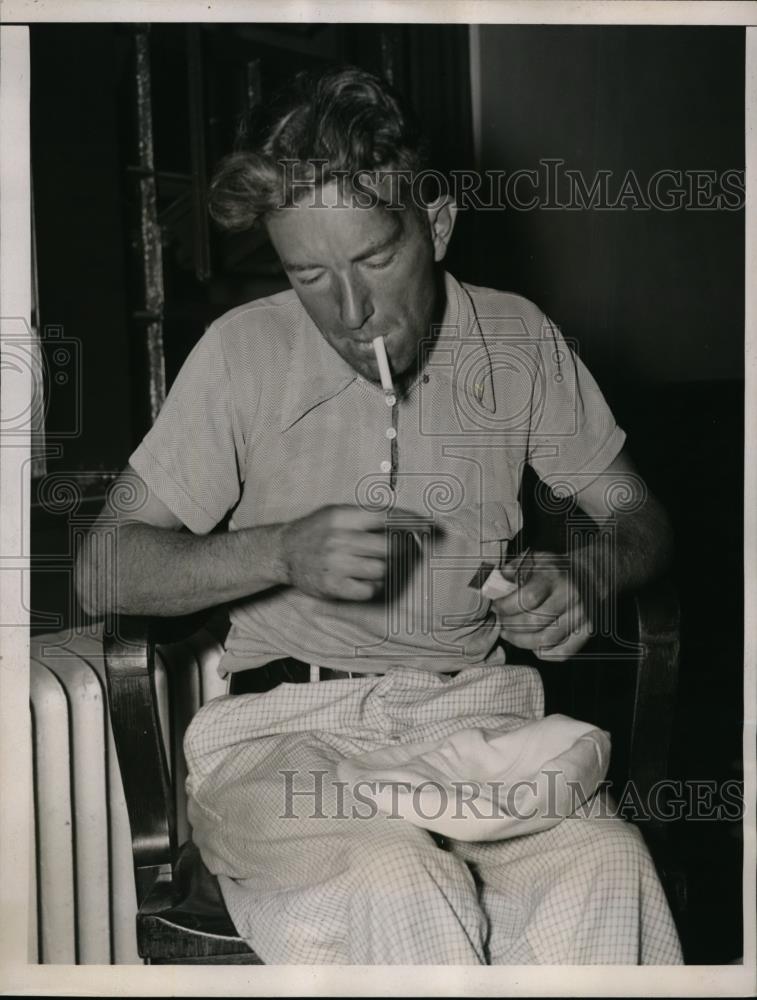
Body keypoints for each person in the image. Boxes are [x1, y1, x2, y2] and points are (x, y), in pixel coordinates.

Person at [76, 66, 683, 965]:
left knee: (606, 863)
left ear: (435, 225)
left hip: (474, 728)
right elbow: (103, 568)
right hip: (283, 738)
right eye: (309, 275)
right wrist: (279, 551)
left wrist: (591, 572)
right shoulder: (241, 354)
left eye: (373, 261)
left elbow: (638, 516)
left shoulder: (516, 340)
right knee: (393, 873)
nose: (350, 313)